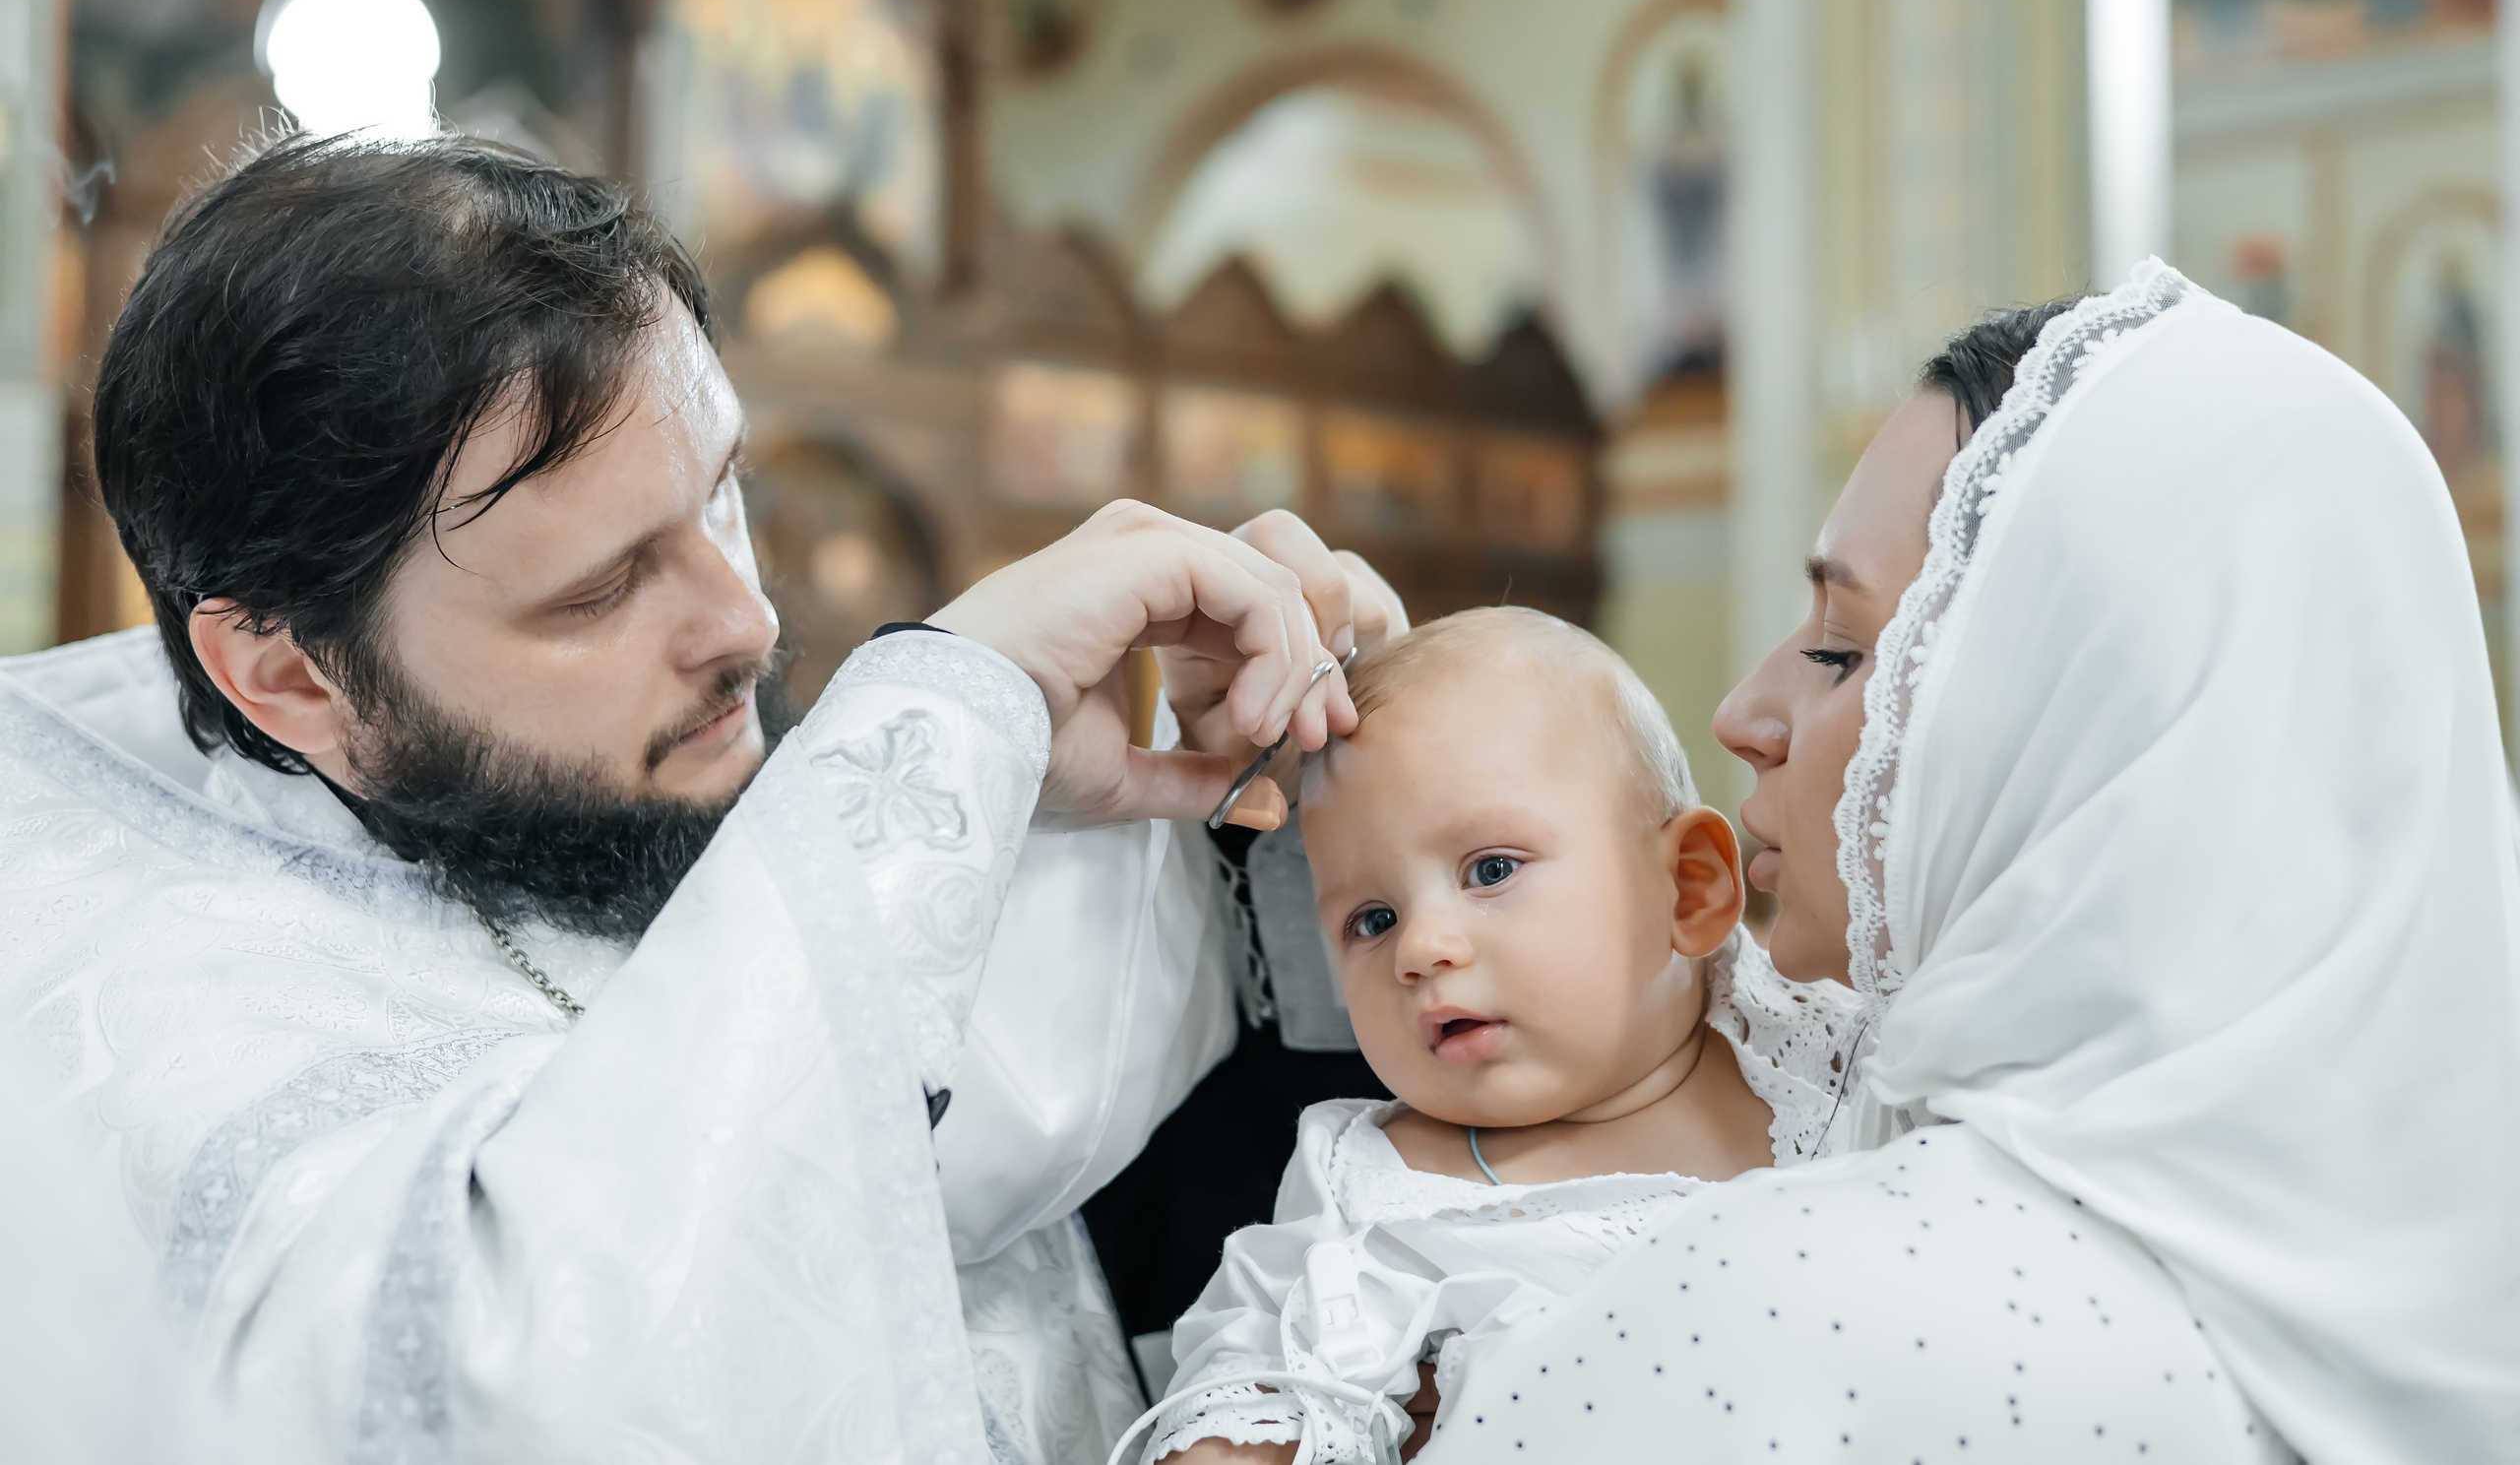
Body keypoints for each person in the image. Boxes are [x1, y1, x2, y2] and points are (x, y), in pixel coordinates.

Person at [0, 132, 1406, 1465]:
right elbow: (531, 1368)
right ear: (291, 675)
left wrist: (1245, 808)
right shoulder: (111, 1014)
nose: (744, 618)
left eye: (723, 492)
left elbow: (940, 1131)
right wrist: (946, 706)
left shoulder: (586, 787)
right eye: (601, 587)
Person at [1424, 264, 2520, 1460]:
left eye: (1842, 651)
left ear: (2074, 723)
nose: (1743, 710)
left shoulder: (1778, 1313)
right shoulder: (2456, 1309)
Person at [1137, 609, 1859, 1463]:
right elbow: (1246, 1383)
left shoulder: (1834, 1056)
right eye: (1372, 918)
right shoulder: (1378, 1197)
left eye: (1490, 870)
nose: (1419, 948)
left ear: (1688, 887)